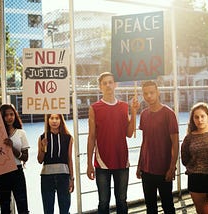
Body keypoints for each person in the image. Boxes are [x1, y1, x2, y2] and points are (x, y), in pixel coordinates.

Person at [86, 71, 139, 214]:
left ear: (116, 84)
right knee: (103, 202)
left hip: (121, 160)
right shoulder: (94, 108)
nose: (108, 85)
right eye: (105, 83)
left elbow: (128, 133)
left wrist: (134, 113)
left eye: (111, 82)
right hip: (102, 162)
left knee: (122, 200)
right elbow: (91, 137)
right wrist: (89, 163)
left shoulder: (123, 106)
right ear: (100, 87)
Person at [136, 80, 179, 214]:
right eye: (145, 93)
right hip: (146, 170)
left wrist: (172, 168)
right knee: (150, 207)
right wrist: (139, 165)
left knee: (168, 206)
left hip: (164, 169)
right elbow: (145, 142)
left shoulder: (168, 113)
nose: (149, 96)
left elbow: (175, 143)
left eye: (152, 92)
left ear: (158, 92)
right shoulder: (144, 114)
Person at [37, 114, 74, 214]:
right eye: (51, 118)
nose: (54, 121)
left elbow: (69, 159)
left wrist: (72, 178)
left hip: (63, 177)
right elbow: (40, 160)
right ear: (47, 120)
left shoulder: (68, 137)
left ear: (61, 120)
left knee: (65, 209)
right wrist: (42, 148)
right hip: (46, 178)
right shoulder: (42, 137)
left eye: (57, 118)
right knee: (48, 210)